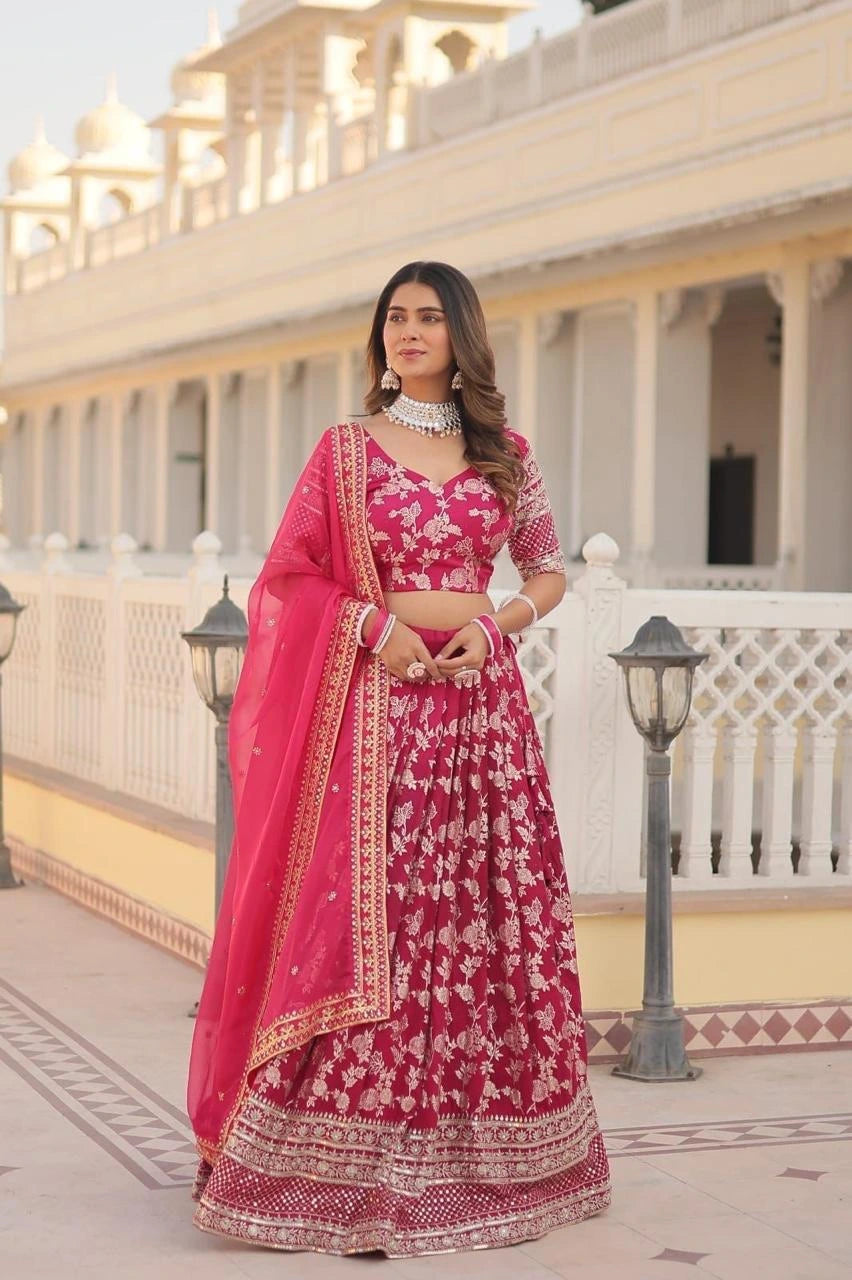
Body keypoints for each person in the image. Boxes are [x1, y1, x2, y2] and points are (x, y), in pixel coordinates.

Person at [187, 260, 612, 1257]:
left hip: (478, 714)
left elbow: (548, 571)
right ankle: (348, 1163)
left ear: (462, 334)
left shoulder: (506, 453)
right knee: (371, 916)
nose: (408, 333)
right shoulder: (344, 451)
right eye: (395, 319)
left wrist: (496, 626)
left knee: (475, 916)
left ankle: (487, 1155)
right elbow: (290, 574)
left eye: (428, 317)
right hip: (373, 713)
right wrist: (371, 625)